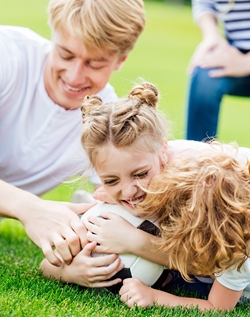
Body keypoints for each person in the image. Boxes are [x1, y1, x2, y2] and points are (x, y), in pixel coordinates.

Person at [40, 81, 250, 294]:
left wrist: (135, 241)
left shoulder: (199, 184)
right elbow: (47, 265)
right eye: (111, 180)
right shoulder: (124, 193)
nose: (129, 191)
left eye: (140, 174)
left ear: (163, 151)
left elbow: (216, 263)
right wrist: (69, 272)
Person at [0, 0, 145, 270]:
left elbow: (112, 206)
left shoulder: (108, 122)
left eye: (95, 64)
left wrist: (77, 264)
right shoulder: (7, 55)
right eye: (65, 55)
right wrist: (29, 207)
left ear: (120, 60)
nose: (75, 76)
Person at [120, 142, 250, 312]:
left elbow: (218, 307)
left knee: (186, 284)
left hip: (227, 287)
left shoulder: (239, 255)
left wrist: (153, 297)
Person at [186, 0, 250, 141]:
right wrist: (212, 36)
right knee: (204, 76)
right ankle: (199, 159)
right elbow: (205, 4)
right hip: (235, 51)